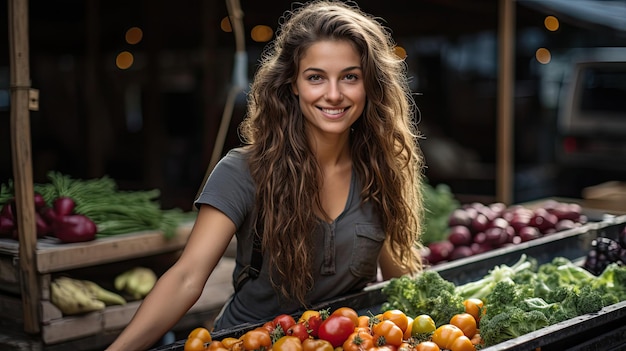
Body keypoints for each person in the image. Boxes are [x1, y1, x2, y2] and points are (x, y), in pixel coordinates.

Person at [106, 0, 425, 349]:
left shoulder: (380, 170)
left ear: (370, 85)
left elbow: (401, 277)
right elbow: (186, 278)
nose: (334, 95)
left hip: (340, 343)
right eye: (315, 77)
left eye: (350, 77)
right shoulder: (243, 171)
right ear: (292, 83)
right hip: (248, 341)